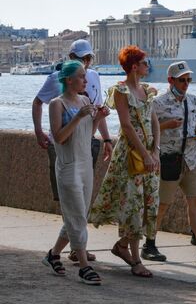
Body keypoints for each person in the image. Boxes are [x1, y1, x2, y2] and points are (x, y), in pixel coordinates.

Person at [32, 39, 113, 263]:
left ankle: (55, 254)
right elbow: (40, 106)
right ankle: (82, 260)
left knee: (79, 212)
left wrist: (103, 130)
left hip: (85, 153)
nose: (86, 65)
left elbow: (88, 129)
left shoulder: (89, 87)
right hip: (66, 158)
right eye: (81, 60)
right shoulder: (57, 94)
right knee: (74, 210)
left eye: (88, 59)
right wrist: (39, 132)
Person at [143, 61, 196, 264]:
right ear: (170, 80)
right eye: (182, 80)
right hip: (168, 159)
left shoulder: (192, 101)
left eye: (188, 80)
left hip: (191, 159)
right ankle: (149, 244)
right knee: (162, 204)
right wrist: (167, 125)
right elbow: (147, 131)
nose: (186, 84)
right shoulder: (157, 103)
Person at [90, 45, 160, 278]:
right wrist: (145, 153)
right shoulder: (120, 91)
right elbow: (127, 126)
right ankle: (136, 260)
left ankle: (122, 246)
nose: (147, 66)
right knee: (133, 205)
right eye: (144, 63)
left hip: (149, 152)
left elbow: (154, 120)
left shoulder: (148, 90)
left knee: (148, 203)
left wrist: (156, 150)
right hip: (130, 153)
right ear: (134, 67)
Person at [42, 60, 109, 285]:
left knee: (77, 214)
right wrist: (79, 116)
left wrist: (99, 118)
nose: (86, 80)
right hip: (68, 165)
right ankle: (83, 266)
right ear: (68, 80)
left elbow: (87, 135)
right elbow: (59, 137)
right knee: (77, 216)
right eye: (81, 76)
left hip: (85, 164)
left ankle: (53, 255)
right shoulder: (57, 104)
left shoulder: (85, 100)